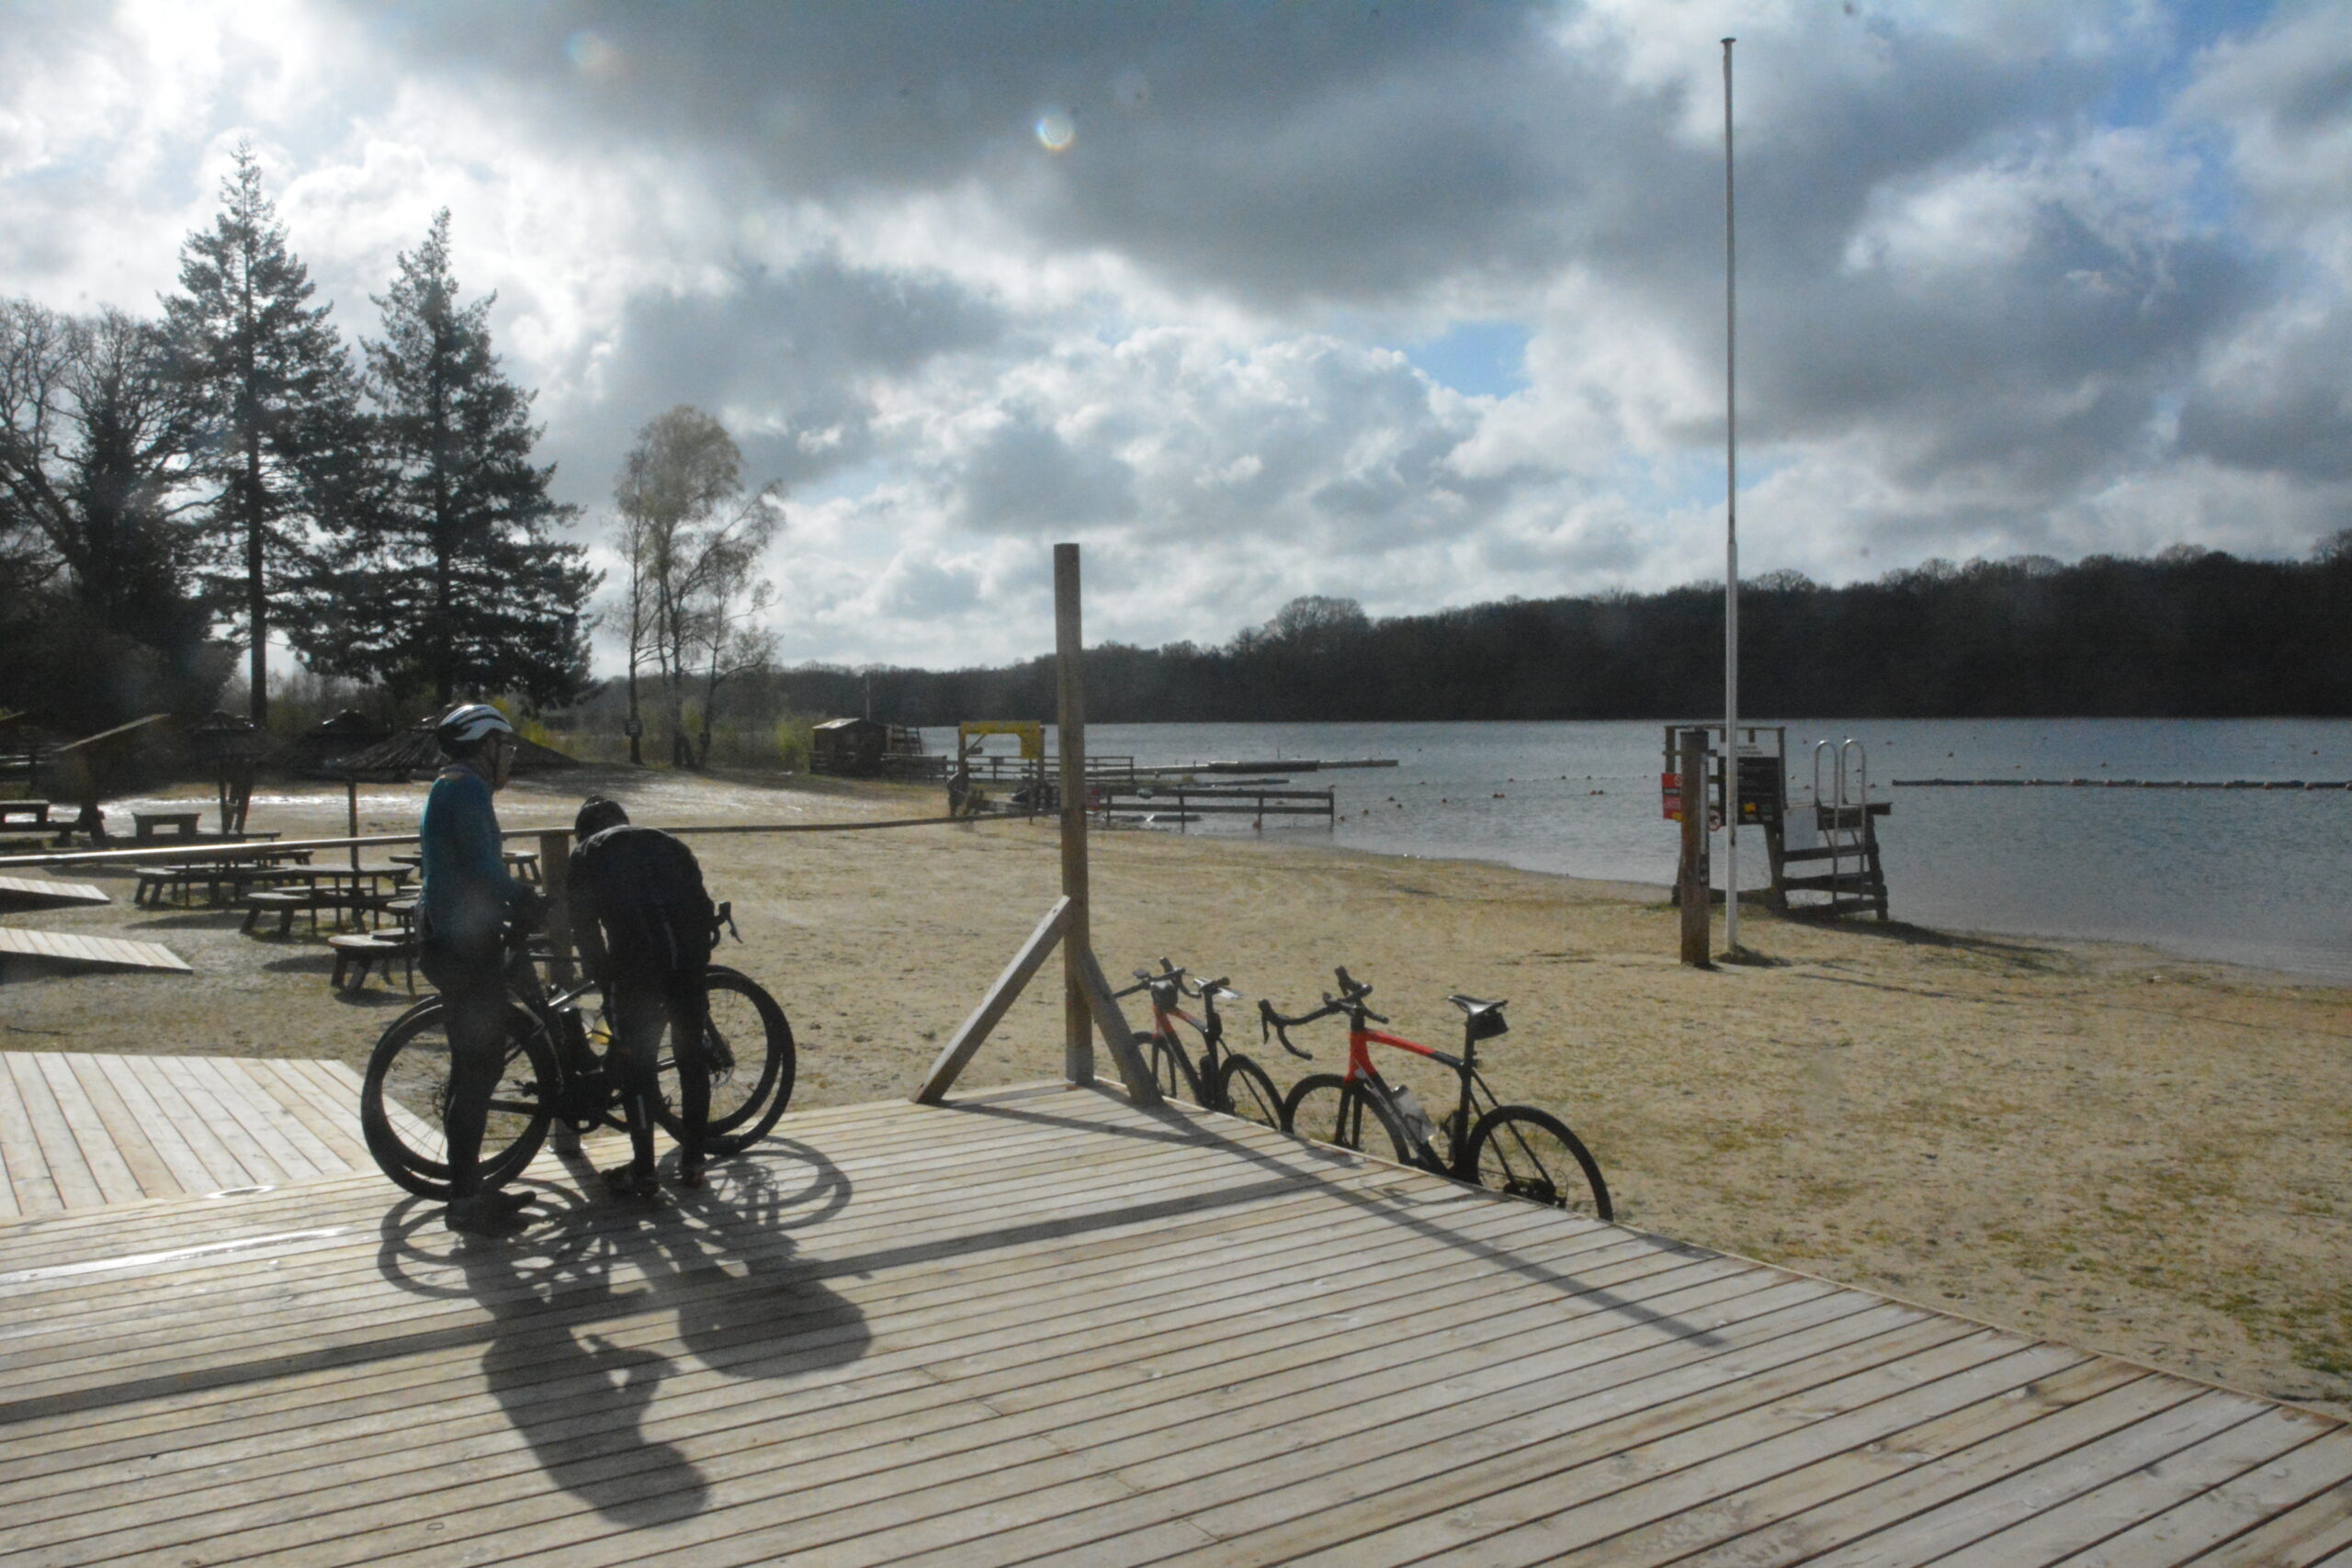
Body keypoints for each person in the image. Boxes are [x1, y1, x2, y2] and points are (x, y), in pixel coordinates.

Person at [416, 703, 538, 1234]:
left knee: (473, 1070)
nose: (509, 756)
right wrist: (522, 896)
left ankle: (469, 1188)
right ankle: (466, 1203)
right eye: (504, 746)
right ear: (484, 746)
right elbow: (484, 867)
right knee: (478, 1072)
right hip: (464, 946)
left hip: (448, 937)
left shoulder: (450, 784)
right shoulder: (467, 790)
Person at [565, 796, 716, 1201]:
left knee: (638, 1066)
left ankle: (645, 1172)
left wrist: (604, 979)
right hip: (686, 962)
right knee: (691, 1058)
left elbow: (584, 929)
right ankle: (694, 1161)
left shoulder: (586, 855)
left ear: (583, 832)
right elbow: (702, 907)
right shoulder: (668, 843)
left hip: (636, 970)